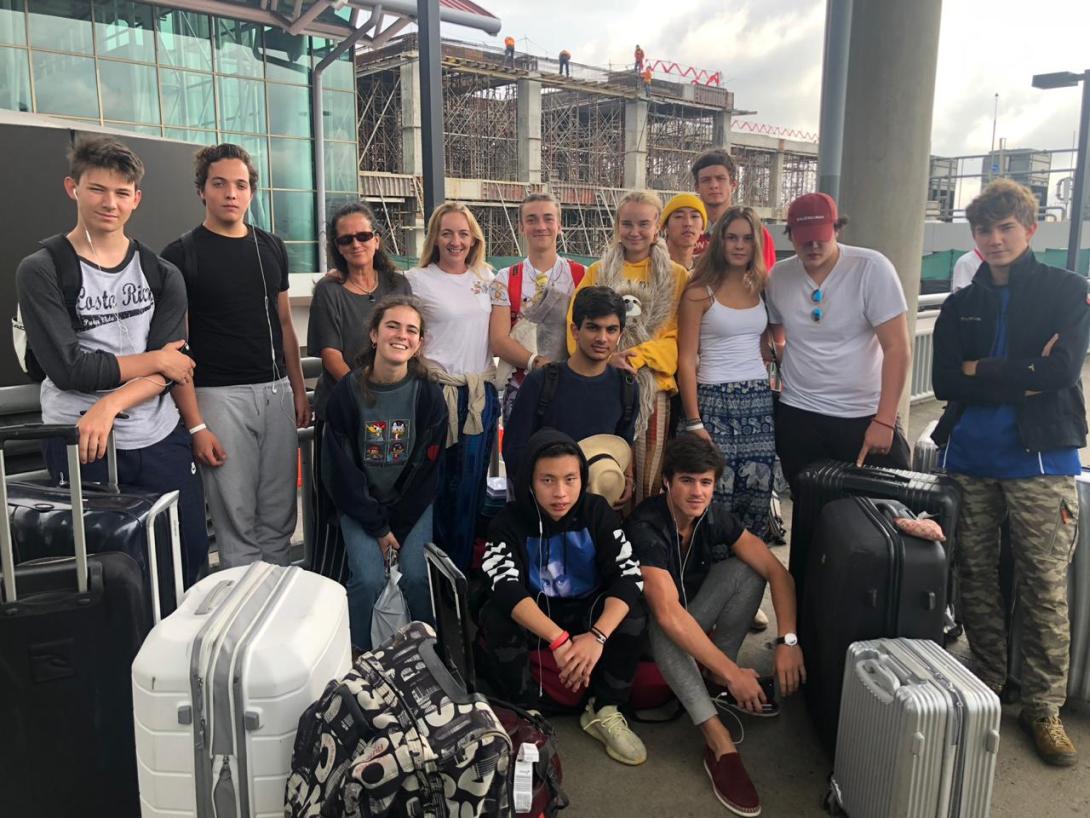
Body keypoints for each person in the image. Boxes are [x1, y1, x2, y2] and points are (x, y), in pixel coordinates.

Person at [932, 179, 1089, 767]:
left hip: (1040, 458)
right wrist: (1020, 370)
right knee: (973, 575)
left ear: (1031, 229)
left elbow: (1060, 372)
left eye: (1006, 228)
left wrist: (984, 368)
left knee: (1044, 583)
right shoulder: (961, 302)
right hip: (970, 455)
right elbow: (947, 380)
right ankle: (992, 680)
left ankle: (1044, 707)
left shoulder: (1067, 292)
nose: (994, 240)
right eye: (984, 230)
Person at [15, 136, 208, 585]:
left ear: (136, 199)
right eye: (97, 189)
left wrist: (110, 403)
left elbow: (173, 368)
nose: (110, 202)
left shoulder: (162, 274)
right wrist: (156, 359)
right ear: (72, 188)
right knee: (111, 569)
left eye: (122, 193)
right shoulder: (42, 269)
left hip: (157, 436)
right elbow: (69, 368)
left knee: (186, 551)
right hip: (83, 443)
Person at [627, 434, 805, 817]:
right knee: (665, 619)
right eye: (687, 480)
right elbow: (667, 614)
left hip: (689, 618)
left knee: (749, 569)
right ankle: (717, 737)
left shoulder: (712, 515)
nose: (697, 492)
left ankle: (714, 676)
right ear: (667, 482)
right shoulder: (646, 524)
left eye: (705, 482)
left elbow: (777, 572)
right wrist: (736, 673)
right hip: (643, 637)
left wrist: (788, 640)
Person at [162, 143, 310, 568]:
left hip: (276, 392)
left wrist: (298, 391)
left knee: (279, 514)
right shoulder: (181, 254)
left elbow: (285, 325)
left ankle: (274, 612)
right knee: (235, 517)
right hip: (218, 396)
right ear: (202, 191)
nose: (231, 193)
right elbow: (177, 348)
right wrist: (196, 426)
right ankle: (241, 617)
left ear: (251, 192)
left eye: (241, 185)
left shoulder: (271, 247)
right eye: (220, 183)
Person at [479, 429, 648, 765]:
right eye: (548, 480)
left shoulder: (597, 511)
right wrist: (558, 640)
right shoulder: (507, 522)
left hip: (586, 611)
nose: (561, 492)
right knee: (494, 614)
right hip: (537, 618)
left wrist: (597, 636)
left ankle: (604, 709)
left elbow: (628, 575)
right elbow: (505, 585)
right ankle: (525, 711)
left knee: (633, 611)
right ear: (529, 481)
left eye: (570, 479)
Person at [321, 295, 447, 650]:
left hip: (409, 506)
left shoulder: (428, 396)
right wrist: (377, 526)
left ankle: (429, 652)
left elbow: (428, 473)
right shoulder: (347, 394)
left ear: (419, 343)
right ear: (374, 334)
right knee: (367, 579)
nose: (401, 335)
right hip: (361, 505)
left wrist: (399, 526)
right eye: (392, 325)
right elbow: (340, 473)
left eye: (411, 330)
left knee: (418, 578)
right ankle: (357, 655)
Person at [765, 192, 911, 495]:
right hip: (799, 414)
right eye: (805, 239)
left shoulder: (871, 268)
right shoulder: (778, 276)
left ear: (837, 229)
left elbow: (897, 347)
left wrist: (885, 420)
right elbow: (775, 334)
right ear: (791, 236)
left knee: (880, 509)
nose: (813, 246)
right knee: (811, 509)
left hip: (861, 415)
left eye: (821, 237)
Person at [567, 190, 688, 506]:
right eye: (627, 223)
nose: (635, 232)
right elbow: (576, 326)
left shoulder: (677, 276)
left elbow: (680, 338)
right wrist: (607, 358)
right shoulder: (597, 272)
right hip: (605, 382)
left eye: (643, 224)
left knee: (648, 479)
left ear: (657, 226)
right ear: (617, 225)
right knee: (608, 474)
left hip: (652, 388)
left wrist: (638, 357)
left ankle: (643, 542)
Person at [406, 202, 498, 570]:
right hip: (436, 393)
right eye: (447, 232)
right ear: (435, 237)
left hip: (479, 394)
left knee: (471, 488)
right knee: (437, 486)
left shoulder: (489, 278)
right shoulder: (417, 279)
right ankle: (432, 574)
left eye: (463, 233)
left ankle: (462, 575)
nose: (455, 241)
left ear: (474, 238)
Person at [676, 207, 775, 540]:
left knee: (755, 494)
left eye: (747, 239)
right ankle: (701, 577)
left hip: (758, 402)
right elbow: (686, 359)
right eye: (731, 237)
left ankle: (745, 580)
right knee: (709, 495)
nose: (738, 245)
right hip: (713, 402)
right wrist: (693, 420)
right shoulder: (698, 291)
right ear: (719, 241)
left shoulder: (761, 287)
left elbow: (768, 341)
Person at [503, 286, 637, 494]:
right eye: (593, 327)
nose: (602, 338)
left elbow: (623, 445)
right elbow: (514, 452)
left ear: (620, 333)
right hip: (545, 506)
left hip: (598, 507)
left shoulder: (626, 387)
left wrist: (624, 480)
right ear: (575, 331)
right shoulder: (541, 382)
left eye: (611, 330)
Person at [308, 202, 411, 421]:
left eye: (363, 236)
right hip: (345, 406)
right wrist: (365, 395)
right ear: (338, 247)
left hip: (395, 401)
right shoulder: (328, 291)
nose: (356, 244)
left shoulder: (398, 285)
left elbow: (411, 341)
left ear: (376, 240)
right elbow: (331, 356)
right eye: (346, 239)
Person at [489, 193, 585, 424]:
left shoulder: (581, 275)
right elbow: (499, 341)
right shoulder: (505, 278)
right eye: (532, 219)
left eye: (548, 219)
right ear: (521, 227)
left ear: (559, 225)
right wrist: (536, 361)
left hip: (571, 385)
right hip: (523, 387)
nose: (541, 226)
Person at [691, 149, 777, 271]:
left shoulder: (755, 233)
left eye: (720, 178)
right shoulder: (688, 233)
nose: (714, 185)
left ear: (733, 185)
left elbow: (766, 282)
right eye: (706, 180)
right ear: (696, 187)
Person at [661, 193, 707, 271]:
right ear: (666, 227)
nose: (688, 223)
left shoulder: (706, 272)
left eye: (694, 216)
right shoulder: (650, 265)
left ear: (702, 228)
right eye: (679, 216)